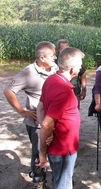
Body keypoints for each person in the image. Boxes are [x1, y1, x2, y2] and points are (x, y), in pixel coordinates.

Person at [3, 41, 58, 188]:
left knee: (54, 150)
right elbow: (8, 91)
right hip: (37, 122)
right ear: (41, 58)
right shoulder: (28, 72)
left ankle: (56, 179)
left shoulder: (54, 68)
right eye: (52, 55)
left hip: (54, 119)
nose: (55, 57)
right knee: (39, 152)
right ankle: (39, 181)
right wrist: (22, 111)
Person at [37, 47, 85, 189]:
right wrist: (42, 153)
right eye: (80, 65)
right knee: (64, 184)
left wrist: (49, 131)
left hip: (60, 146)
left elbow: (40, 109)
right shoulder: (63, 90)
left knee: (60, 180)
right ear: (72, 69)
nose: (81, 68)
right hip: (63, 149)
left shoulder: (52, 79)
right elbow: (46, 124)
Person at [56, 39, 87, 108]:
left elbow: (83, 73)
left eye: (67, 48)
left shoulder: (74, 60)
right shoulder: (55, 61)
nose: (66, 51)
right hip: (60, 93)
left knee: (75, 111)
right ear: (58, 49)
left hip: (75, 92)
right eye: (63, 48)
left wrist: (84, 89)